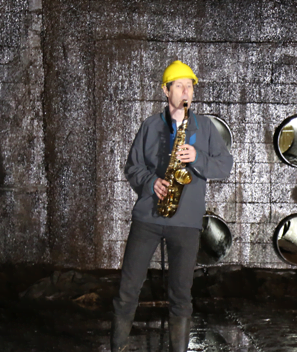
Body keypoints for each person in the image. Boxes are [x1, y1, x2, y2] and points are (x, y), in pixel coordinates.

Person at [111, 60, 233, 352]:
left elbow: (225, 166)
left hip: (186, 222)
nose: (185, 91)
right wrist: (151, 182)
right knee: (127, 290)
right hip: (148, 218)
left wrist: (197, 157)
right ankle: (117, 347)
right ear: (166, 91)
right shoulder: (151, 125)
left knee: (181, 295)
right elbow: (132, 167)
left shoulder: (203, 127)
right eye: (179, 85)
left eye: (189, 85)